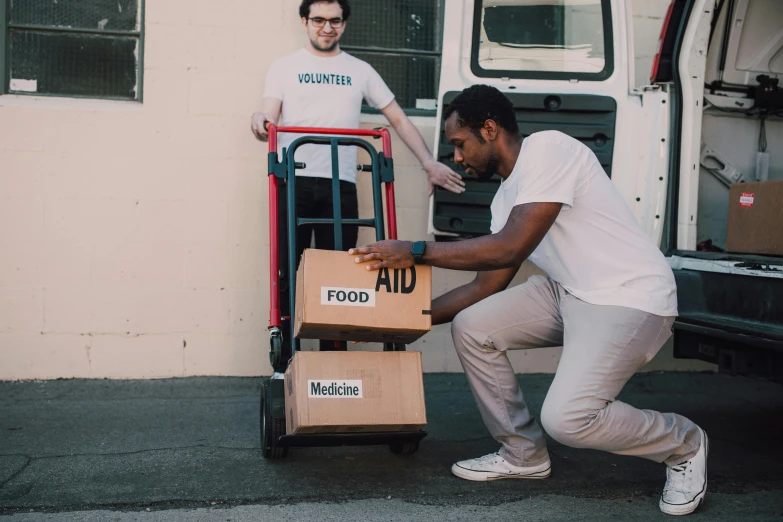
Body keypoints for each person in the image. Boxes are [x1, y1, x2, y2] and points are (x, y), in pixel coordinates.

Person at [349, 85, 708, 516]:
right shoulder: (505, 200)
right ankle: (524, 455)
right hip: (568, 290)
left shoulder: (550, 150)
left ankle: (684, 443)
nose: (457, 158)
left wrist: (417, 250)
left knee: (569, 420)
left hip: (629, 296)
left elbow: (509, 248)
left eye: (460, 145)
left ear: (489, 128)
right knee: (473, 325)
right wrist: (406, 318)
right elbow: (483, 288)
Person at [251, 0, 464, 353]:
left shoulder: (358, 69)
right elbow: (267, 115)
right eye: (318, 20)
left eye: (335, 21)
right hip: (294, 181)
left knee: (338, 275)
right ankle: (287, 365)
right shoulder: (284, 67)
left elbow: (396, 118)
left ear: (344, 24)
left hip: (341, 185)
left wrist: (429, 162)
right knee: (289, 273)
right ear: (305, 21)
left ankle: (333, 362)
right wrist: (258, 121)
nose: (327, 27)